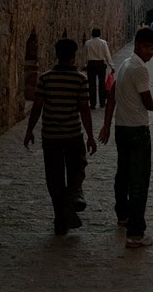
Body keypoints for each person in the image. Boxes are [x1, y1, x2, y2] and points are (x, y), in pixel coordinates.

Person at [24, 38, 97, 235]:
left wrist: (29, 130)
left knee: (54, 177)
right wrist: (90, 136)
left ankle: (60, 217)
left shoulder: (45, 78)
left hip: (50, 136)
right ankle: (73, 197)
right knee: (77, 167)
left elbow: (37, 106)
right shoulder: (80, 79)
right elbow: (84, 110)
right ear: (73, 56)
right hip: (73, 134)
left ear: (57, 55)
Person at [98, 28, 153, 249]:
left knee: (122, 175)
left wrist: (106, 125)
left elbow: (111, 95)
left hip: (121, 129)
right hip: (137, 130)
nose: (151, 53)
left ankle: (122, 215)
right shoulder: (139, 69)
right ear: (138, 45)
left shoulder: (124, 65)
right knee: (139, 181)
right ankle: (135, 234)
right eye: (148, 48)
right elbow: (148, 103)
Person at [84, 28, 115, 109]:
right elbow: (107, 55)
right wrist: (112, 66)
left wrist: (84, 64)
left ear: (92, 34)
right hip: (101, 64)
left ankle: (92, 103)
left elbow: (85, 55)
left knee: (91, 84)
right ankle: (102, 102)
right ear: (99, 34)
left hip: (91, 65)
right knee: (102, 84)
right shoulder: (103, 43)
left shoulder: (87, 43)